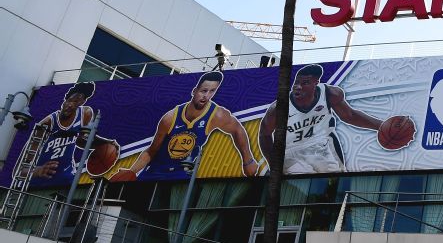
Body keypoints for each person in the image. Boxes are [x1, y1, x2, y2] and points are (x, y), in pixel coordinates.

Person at [260, 64, 407, 174]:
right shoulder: (279, 108)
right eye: (296, 83)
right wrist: (274, 163)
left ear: (315, 83)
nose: (298, 87)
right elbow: (264, 134)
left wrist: (381, 126)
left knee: (333, 182)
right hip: (291, 151)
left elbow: (349, 115)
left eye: (304, 83)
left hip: (322, 146)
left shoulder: (330, 94)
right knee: (302, 180)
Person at [113, 71, 258, 180]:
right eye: (203, 91)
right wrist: (132, 171)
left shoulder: (216, 114)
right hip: (154, 172)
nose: (206, 96)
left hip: (181, 173)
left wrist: (248, 160)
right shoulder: (170, 118)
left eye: (212, 91)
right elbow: (152, 151)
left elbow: (238, 129)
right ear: (194, 91)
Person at [26, 82, 116, 186]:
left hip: (66, 178)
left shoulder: (85, 113)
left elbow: (81, 140)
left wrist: (107, 144)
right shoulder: (47, 124)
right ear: (65, 100)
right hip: (40, 183)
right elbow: (20, 169)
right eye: (70, 100)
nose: (71, 105)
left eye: (77, 103)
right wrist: (37, 171)